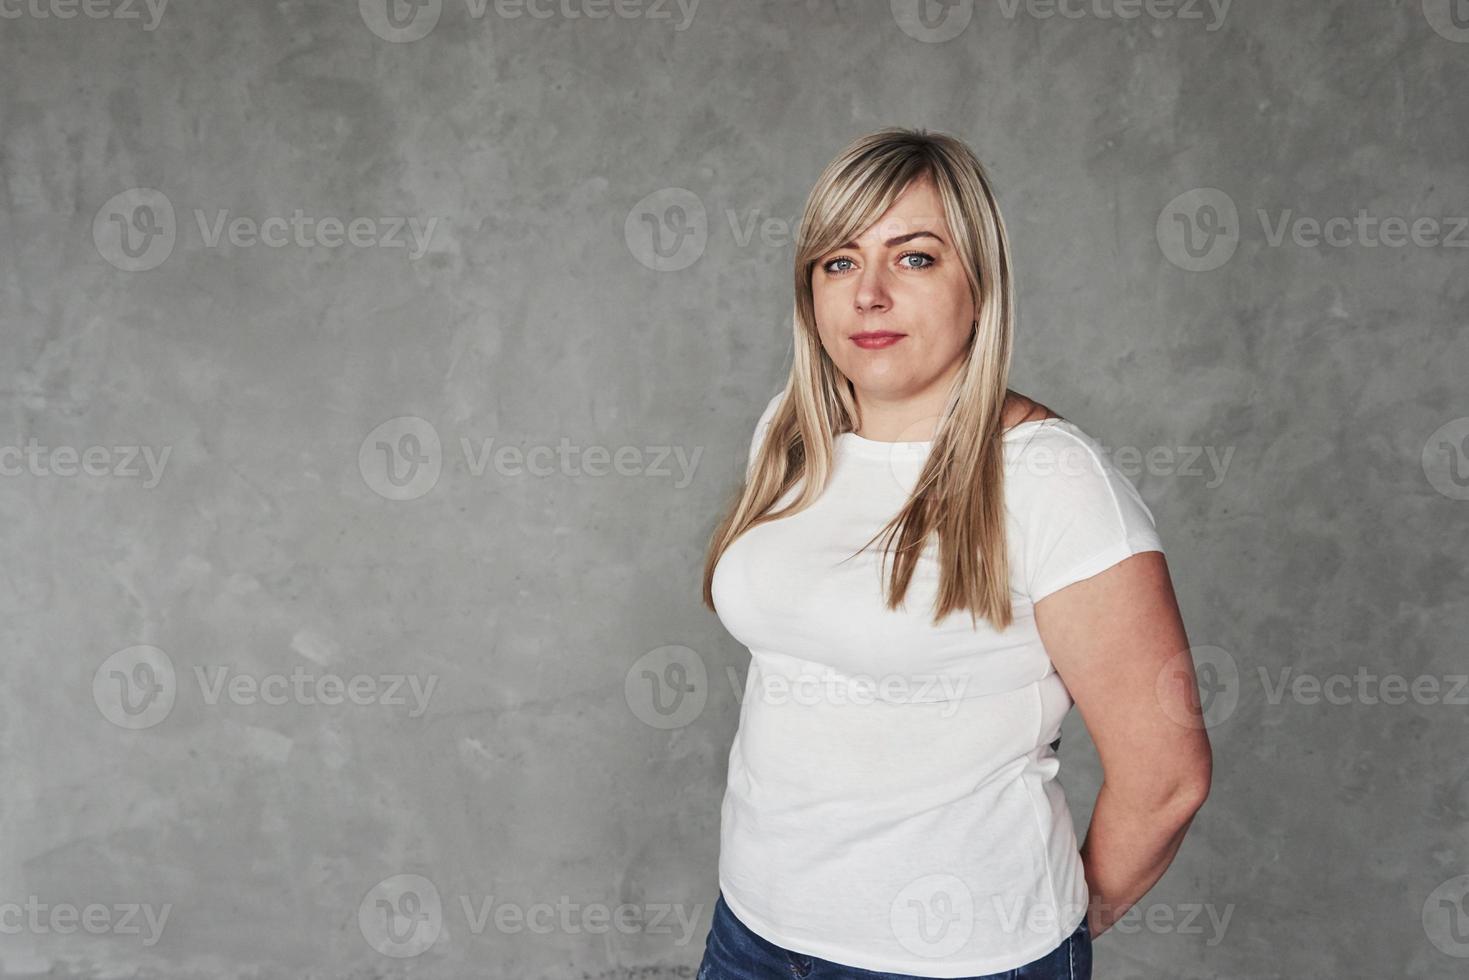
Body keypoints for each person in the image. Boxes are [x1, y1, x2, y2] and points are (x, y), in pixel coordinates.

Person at [696, 128, 1212, 980]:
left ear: (980, 283)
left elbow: (1166, 778)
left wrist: (1055, 926)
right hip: (752, 932)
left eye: (914, 259)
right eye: (837, 262)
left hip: (955, 958)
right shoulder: (791, 431)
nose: (867, 295)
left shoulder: (1049, 479)